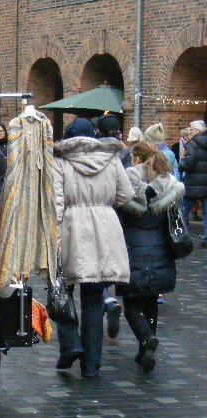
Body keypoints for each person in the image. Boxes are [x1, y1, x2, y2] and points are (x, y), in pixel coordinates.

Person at [53, 117, 133, 378]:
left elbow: (55, 201)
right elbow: (126, 196)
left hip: (72, 227)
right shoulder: (111, 159)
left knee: (61, 291)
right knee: (94, 300)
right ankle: (92, 365)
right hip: (105, 227)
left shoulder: (61, 161)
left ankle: (71, 345)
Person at [117, 142, 185, 372]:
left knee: (131, 304)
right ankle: (145, 347)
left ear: (136, 159)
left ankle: (146, 339)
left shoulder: (128, 184)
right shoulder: (169, 184)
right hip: (161, 250)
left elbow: (119, 212)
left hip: (133, 249)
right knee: (150, 302)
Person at [95, 114, 128, 336]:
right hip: (116, 216)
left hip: (93, 213)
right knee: (111, 258)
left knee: (95, 261)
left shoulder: (93, 153)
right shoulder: (125, 154)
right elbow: (126, 193)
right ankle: (113, 295)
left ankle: (106, 297)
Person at [179, 124, 207, 246]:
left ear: (196, 130)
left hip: (193, 183)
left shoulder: (192, 144)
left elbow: (188, 163)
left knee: (183, 211)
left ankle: (181, 237)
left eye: (191, 128)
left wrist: (181, 163)